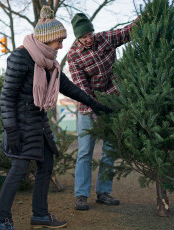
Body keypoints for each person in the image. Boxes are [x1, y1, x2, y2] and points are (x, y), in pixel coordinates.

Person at [0, 6, 112, 230]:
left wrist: (97, 105)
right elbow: (6, 97)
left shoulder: (50, 65)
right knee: (18, 170)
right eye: (59, 40)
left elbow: (71, 89)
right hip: (19, 125)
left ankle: (40, 215)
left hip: (38, 123)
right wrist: (11, 130)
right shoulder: (20, 58)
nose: (61, 45)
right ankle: (1, 220)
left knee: (46, 165)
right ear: (47, 39)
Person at [67, 13, 138, 210]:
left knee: (110, 150)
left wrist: (144, 18)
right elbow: (82, 87)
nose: (89, 39)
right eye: (84, 37)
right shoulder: (74, 56)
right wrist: (96, 106)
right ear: (78, 38)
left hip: (114, 99)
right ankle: (81, 195)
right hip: (89, 105)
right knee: (84, 152)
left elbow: (127, 32)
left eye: (90, 34)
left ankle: (103, 192)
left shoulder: (105, 38)